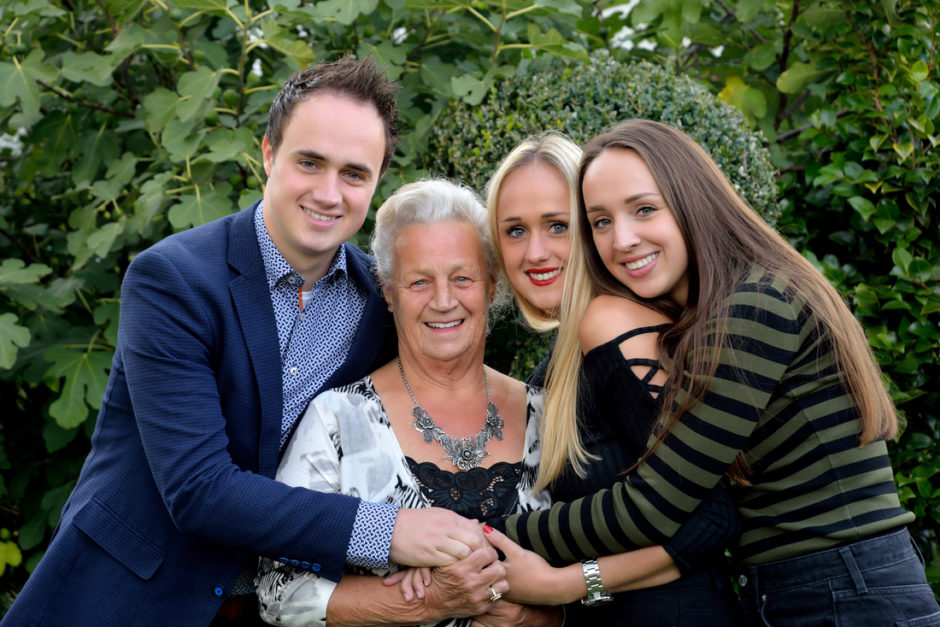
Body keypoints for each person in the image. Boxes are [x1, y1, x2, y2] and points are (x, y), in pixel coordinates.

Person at [3, 58, 485, 626]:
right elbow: (198, 487)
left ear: (377, 181)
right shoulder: (173, 280)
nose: (329, 194)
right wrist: (390, 532)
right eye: (310, 162)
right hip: (127, 596)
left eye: (354, 174)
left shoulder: (379, 305)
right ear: (268, 154)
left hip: (277, 608)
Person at [484, 119, 940, 626]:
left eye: (644, 209)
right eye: (601, 222)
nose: (624, 239)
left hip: (846, 592)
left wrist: (489, 535)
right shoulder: (710, 317)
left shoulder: (754, 308)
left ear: (690, 200)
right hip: (803, 589)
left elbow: (655, 503)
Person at [255, 178, 560, 626]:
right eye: (419, 281)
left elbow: (601, 572)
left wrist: (541, 619)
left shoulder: (549, 416)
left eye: (462, 278)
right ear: (389, 291)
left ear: (492, 284)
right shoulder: (338, 420)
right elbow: (276, 591)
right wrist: (428, 602)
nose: (442, 300)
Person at [481, 132, 741, 625]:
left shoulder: (614, 326)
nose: (535, 251)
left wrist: (568, 583)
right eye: (514, 230)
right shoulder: (562, 358)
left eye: (557, 226)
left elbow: (713, 517)